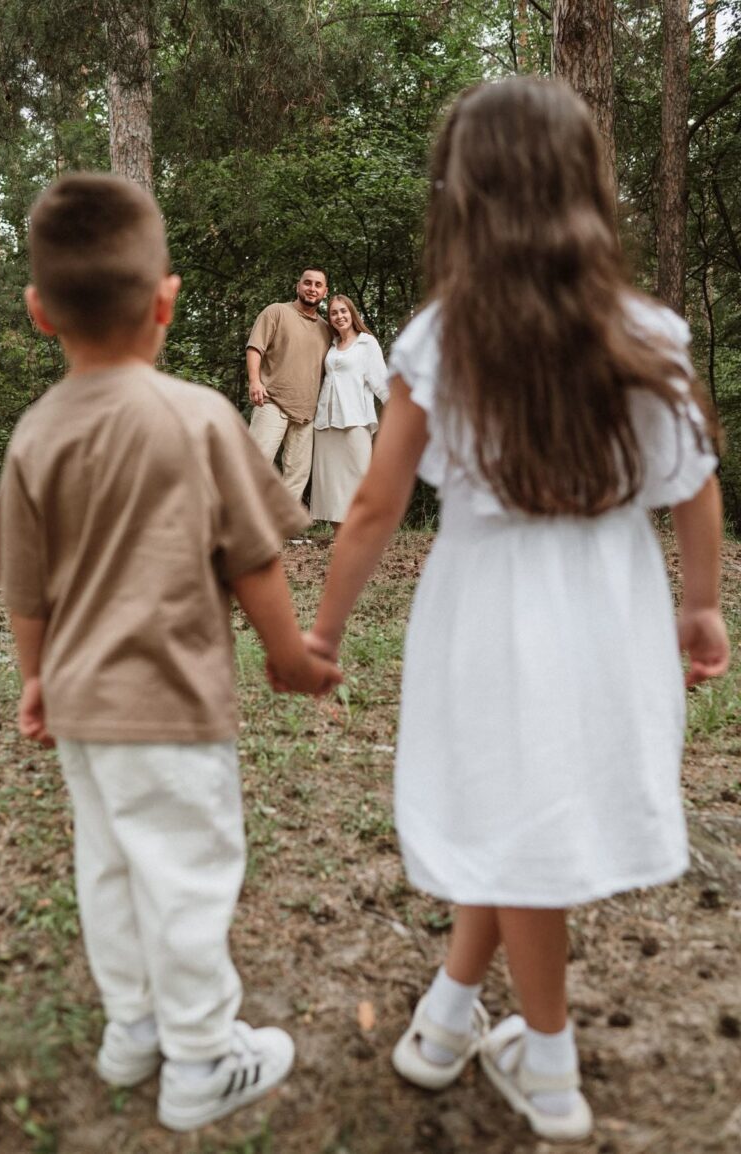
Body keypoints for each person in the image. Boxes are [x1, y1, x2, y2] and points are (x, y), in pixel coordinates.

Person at [295, 78, 730, 1142]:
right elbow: (696, 484)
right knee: (519, 806)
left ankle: (550, 1061)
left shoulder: (442, 337)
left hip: (489, 613)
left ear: (464, 196)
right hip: (606, 610)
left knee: (522, 822)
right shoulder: (648, 331)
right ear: (588, 188)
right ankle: (449, 1014)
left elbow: (373, 506)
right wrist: (703, 605)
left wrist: (323, 630)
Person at [0, 173, 340, 1133]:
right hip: (173, 705)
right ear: (165, 301)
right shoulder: (198, 417)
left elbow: (27, 587)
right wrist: (289, 654)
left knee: (111, 867)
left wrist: (38, 682)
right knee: (185, 871)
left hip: (87, 711)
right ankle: (202, 1058)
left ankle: (132, 1027)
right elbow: (255, 557)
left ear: (39, 312)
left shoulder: (35, 437)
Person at [246, 268, 332, 500]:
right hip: (271, 402)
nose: (312, 288)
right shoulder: (276, 312)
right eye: (307, 283)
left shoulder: (326, 329)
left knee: (297, 475)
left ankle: (282, 531)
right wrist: (255, 381)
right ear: (298, 286)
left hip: (307, 412)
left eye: (317, 285)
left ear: (325, 291)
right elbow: (255, 348)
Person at [310, 294, 389, 533]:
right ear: (330, 318)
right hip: (326, 420)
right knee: (331, 482)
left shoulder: (367, 343)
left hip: (355, 418)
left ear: (352, 313)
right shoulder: (332, 346)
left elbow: (381, 382)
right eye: (334, 313)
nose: (339, 316)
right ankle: (339, 535)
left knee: (360, 475)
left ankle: (365, 531)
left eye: (343, 311)